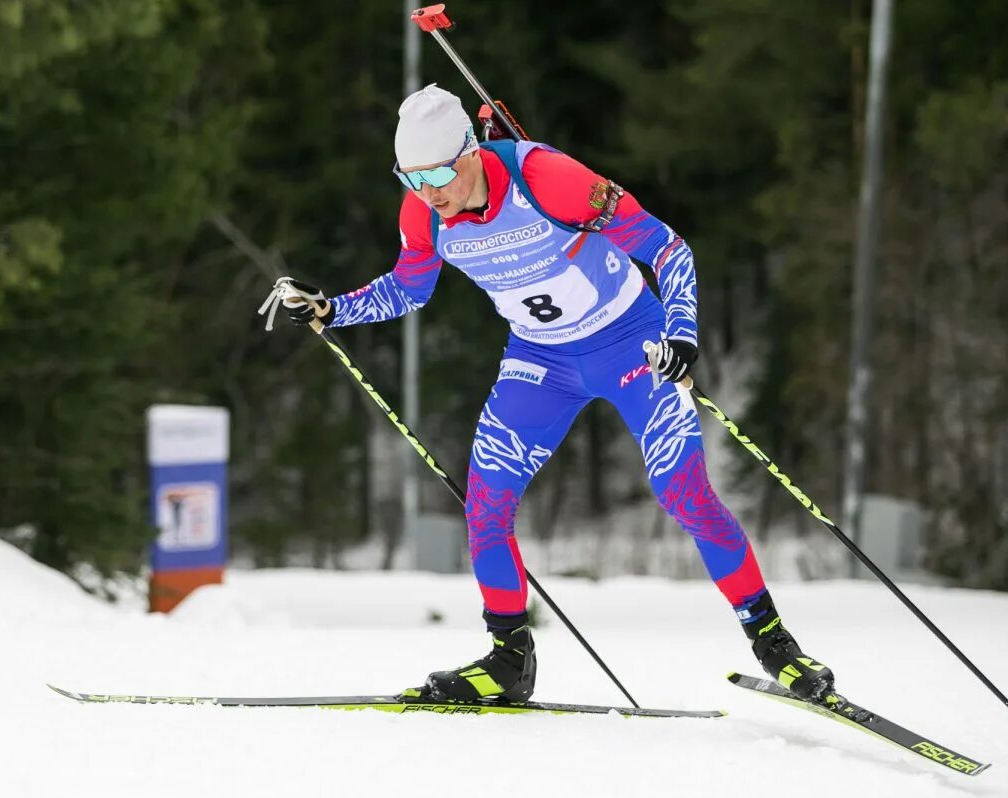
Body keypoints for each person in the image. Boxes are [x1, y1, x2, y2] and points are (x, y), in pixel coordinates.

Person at [264, 84, 835, 705]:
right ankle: (509, 658)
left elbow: (668, 249)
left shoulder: (548, 177)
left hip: (630, 343)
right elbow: (411, 288)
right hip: (541, 357)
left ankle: (776, 646)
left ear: (471, 150)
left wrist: (682, 334)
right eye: (409, 176)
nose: (428, 191)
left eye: (435, 173)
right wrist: (331, 309)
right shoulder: (422, 211)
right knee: (485, 503)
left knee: (683, 491)